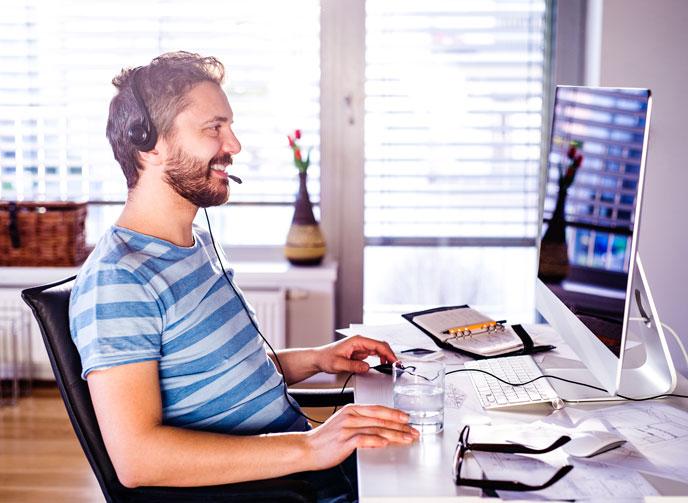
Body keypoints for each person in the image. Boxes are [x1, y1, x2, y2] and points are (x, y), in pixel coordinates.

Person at [68, 51, 418, 502]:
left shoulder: (194, 245)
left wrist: (316, 359)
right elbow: (138, 460)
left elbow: (222, 380)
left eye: (229, 127)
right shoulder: (119, 280)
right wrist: (312, 446)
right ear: (149, 144)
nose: (234, 145)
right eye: (214, 128)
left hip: (310, 472)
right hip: (283, 489)